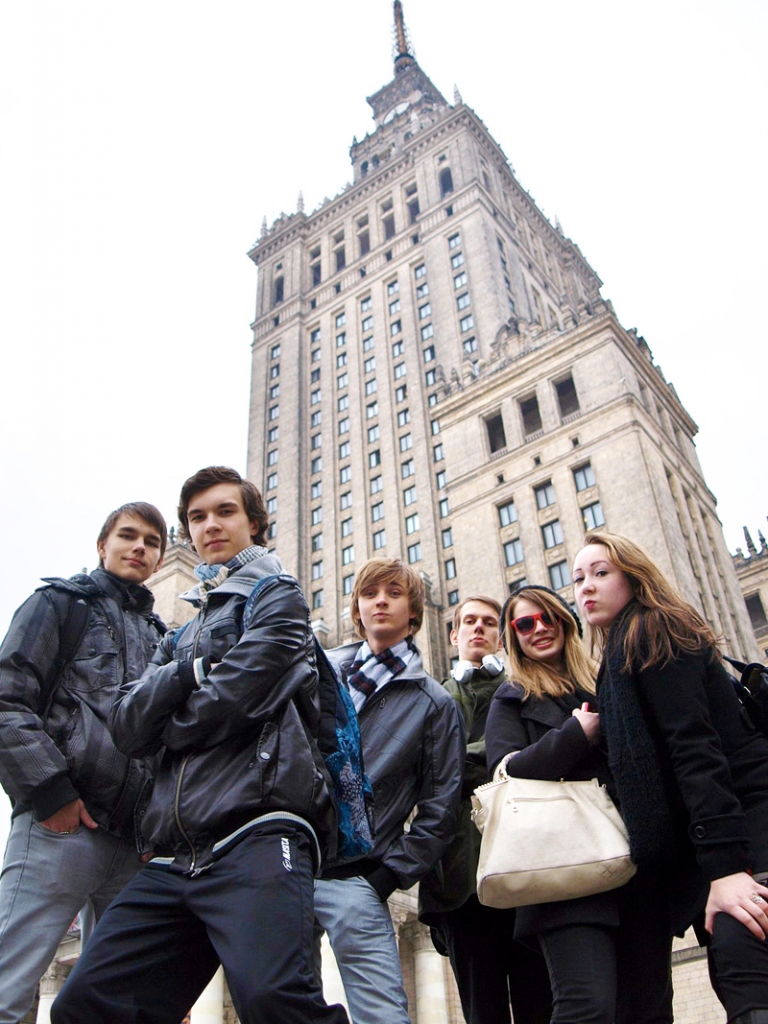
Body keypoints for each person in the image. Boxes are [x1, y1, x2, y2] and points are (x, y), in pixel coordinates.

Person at [51, 467, 348, 1024]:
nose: (210, 524)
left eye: (224, 511)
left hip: (259, 833)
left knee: (275, 1001)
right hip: (176, 855)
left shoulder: (279, 596)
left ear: (255, 524)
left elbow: (237, 697)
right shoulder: (181, 633)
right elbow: (126, 727)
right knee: (84, 1005)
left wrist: (166, 723)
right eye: (197, 517)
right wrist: (189, 672)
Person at [573, 531, 768, 1024]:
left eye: (601, 573)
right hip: (712, 841)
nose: (586, 587)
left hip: (745, 826)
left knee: (745, 973)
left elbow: (695, 748)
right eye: (577, 579)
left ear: (634, 577)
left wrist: (727, 869)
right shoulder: (620, 650)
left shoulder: (653, 630)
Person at [0, 501, 167, 1024]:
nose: (139, 547)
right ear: (102, 545)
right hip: (61, 827)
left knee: (117, 1005)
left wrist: (158, 832)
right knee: (8, 986)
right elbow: (6, 698)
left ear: (161, 559)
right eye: (128, 535)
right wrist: (51, 793)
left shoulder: (165, 638)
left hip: (135, 848)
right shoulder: (58, 603)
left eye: (152, 541)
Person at [486, 583, 676, 1024]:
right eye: (525, 624)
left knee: (650, 1010)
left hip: (637, 864)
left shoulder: (611, 679)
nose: (539, 629)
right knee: (587, 1006)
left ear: (567, 620)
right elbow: (505, 772)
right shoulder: (511, 696)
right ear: (514, 638)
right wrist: (575, 735)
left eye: (548, 617)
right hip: (566, 873)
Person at [315, 557, 464, 1024]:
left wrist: (386, 877)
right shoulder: (319, 671)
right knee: (273, 1001)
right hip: (288, 861)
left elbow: (440, 808)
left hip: (358, 878)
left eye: (395, 594)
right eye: (370, 593)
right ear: (356, 608)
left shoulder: (435, 703)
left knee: (382, 1014)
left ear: (414, 612)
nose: (381, 602)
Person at [419, 595, 552, 1024]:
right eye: (470, 621)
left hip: (526, 871)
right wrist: (497, 759)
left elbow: (532, 757)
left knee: (542, 1005)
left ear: (500, 636)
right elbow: (428, 771)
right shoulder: (431, 697)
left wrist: (468, 762)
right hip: (460, 879)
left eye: (489, 622)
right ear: (453, 635)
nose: (479, 628)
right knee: (481, 1011)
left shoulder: (526, 688)